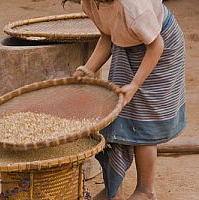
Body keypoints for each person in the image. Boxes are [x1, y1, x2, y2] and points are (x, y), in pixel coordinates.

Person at [62, 0, 186, 199]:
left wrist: (135, 85)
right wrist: (86, 70)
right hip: (126, 48)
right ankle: (114, 189)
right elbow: (108, 35)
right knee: (116, 118)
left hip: (159, 50)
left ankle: (146, 190)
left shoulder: (132, 5)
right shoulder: (91, 2)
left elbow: (156, 45)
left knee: (144, 120)